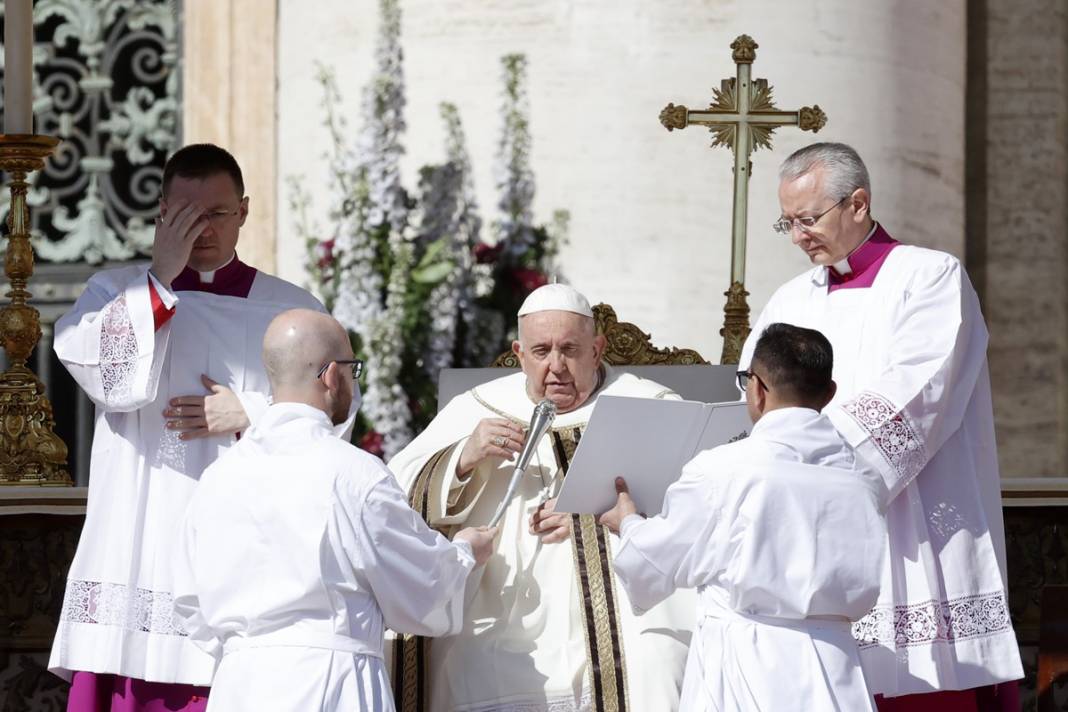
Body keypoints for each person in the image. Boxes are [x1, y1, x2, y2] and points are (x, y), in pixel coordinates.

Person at [740, 142, 1023, 710]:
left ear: (858, 203)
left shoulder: (930, 276)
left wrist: (813, 464)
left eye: (807, 219)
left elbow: (920, 390)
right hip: (809, 530)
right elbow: (752, 389)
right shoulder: (789, 300)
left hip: (914, 520)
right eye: (787, 223)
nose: (797, 236)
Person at [49, 144, 327, 711]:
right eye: (185, 215)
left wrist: (255, 412)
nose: (202, 229)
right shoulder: (116, 293)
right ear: (161, 213)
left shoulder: (291, 309)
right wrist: (158, 282)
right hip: (142, 529)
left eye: (217, 213)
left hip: (244, 540)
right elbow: (106, 378)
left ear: (244, 211)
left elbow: (334, 411)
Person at [388, 283, 694, 712]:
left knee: (656, 662)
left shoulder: (649, 404)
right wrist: (463, 457)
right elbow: (392, 496)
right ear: (519, 353)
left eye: (570, 349)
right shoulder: (477, 407)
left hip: (623, 605)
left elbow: (693, 501)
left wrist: (593, 518)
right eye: (541, 351)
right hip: (502, 602)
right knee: (463, 663)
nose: (556, 366)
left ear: (597, 349)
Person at [171, 309, 496, 712]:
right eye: (351, 368)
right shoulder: (353, 473)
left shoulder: (217, 478)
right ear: (329, 375)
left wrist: (252, 646)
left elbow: (189, 601)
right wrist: (465, 552)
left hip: (239, 685)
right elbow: (420, 589)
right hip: (330, 678)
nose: (353, 382)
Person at [600, 322, 887, 711]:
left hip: (751, 667)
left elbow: (656, 560)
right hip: (836, 668)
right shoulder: (865, 476)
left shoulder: (723, 470)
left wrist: (628, 522)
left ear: (757, 388)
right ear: (829, 392)